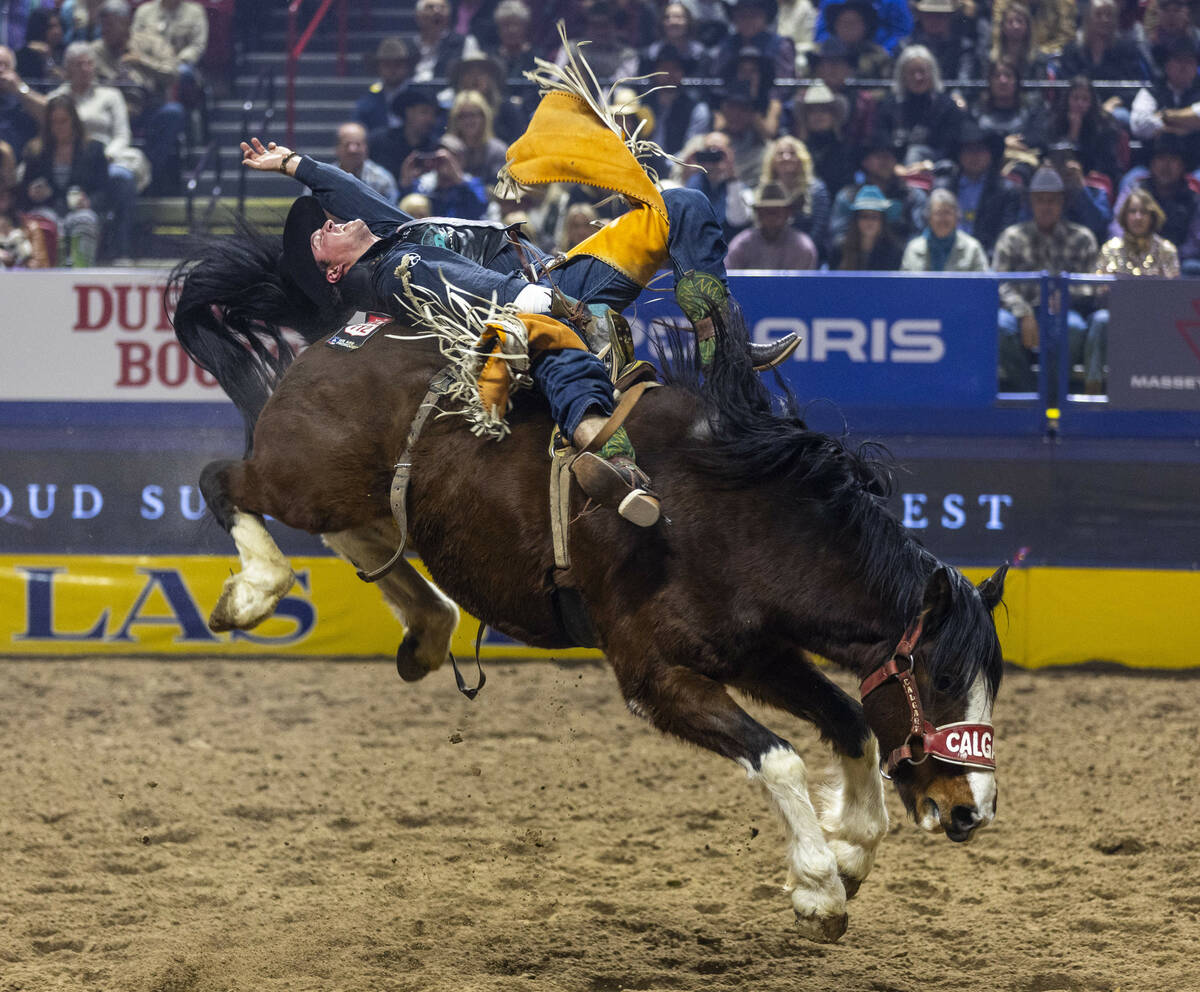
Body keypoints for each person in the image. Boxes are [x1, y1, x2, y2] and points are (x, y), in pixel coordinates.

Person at [993, 165, 1098, 392]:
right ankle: (1029, 391)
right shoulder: (1011, 237)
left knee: (1075, 328)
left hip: (1063, 313)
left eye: (1052, 200)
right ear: (1031, 202)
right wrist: (1023, 311)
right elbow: (999, 281)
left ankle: (1053, 395)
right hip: (1020, 312)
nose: (1046, 206)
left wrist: (1069, 295)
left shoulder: (1082, 238)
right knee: (998, 325)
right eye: (1040, 200)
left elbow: (1091, 284)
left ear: (1063, 202)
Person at [47, 41, 147, 262]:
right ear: (68, 69)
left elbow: (122, 135)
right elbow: (48, 132)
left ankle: (121, 249)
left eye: (90, 63)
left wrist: (107, 155)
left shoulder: (110, 95)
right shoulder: (57, 98)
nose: (86, 69)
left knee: (122, 178)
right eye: (79, 64)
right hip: (69, 157)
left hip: (107, 158)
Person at [1086, 187, 1180, 393]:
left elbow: (1174, 295)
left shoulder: (1167, 250)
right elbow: (1098, 289)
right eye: (1133, 211)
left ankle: (1168, 393)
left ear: (1153, 216)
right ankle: (1092, 389)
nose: (1138, 217)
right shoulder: (1111, 248)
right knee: (1099, 320)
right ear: (1124, 216)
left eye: (1144, 212)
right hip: (1117, 314)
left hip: (1156, 315)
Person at [89, 0, 187, 193]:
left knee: (174, 112)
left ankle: (148, 175)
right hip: (109, 112)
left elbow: (173, 73)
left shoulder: (151, 42)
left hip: (149, 109)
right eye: (103, 25)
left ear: (126, 22)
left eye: (110, 24)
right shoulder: (94, 51)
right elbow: (89, 85)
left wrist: (142, 62)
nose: (105, 30)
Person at [17, 93, 107, 267]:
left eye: (63, 121)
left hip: (79, 210)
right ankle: (47, 273)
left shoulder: (94, 149)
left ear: (74, 121)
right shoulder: (36, 151)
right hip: (47, 208)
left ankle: (82, 272)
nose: (58, 127)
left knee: (84, 220)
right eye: (53, 122)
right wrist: (32, 193)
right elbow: (23, 192)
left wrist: (88, 201)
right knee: (42, 223)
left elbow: (104, 191)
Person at [1110, 132, 1200, 273]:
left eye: (1173, 159)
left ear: (1183, 165)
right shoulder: (1134, 190)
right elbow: (1117, 228)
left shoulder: (1193, 199)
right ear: (1151, 163)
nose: (1166, 165)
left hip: (1176, 261)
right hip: (1133, 257)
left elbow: (1195, 242)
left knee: (1192, 268)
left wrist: (1165, 255)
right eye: (1161, 159)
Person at [933, 119, 1019, 256]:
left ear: (990, 154)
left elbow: (1005, 235)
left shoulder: (1007, 191)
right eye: (969, 150)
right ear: (960, 155)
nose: (975, 156)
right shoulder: (944, 188)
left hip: (988, 260)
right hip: (946, 258)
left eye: (980, 150)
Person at [873, 43, 963, 166]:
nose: (918, 77)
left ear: (932, 73)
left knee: (915, 153)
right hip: (895, 169)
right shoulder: (889, 105)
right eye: (912, 72)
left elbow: (949, 147)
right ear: (902, 76)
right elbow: (881, 141)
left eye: (922, 71)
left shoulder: (946, 106)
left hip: (934, 168)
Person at [1130, 36, 1200, 169]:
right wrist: (1188, 124)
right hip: (1151, 166)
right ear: (1167, 65)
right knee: (1131, 182)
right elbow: (1139, 125)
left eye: (1190, 62)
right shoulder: (1151, 91)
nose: (1184, 67)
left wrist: (1165, 116)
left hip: (1196, 164)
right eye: (1178, 61)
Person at [758, 134, 831, 260]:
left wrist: (801, 252)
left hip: (807, 255)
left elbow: (819, 230)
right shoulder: (766, 189)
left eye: (792, 153)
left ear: (801, 158)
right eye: (780, 153)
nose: (786, 157)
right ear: (772, 160)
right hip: (768, 256)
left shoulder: (816, 190)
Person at [675, 130, 754, 241]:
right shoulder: (694, 181)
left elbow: (738, 220)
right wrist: (685, 176)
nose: (712, 157)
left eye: (718, 153)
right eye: (708, 151)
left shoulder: (740, 188)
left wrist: (731, 176)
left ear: (729, 154)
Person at [131, 0, 208, 108]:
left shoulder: (195, 12)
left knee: (182, 73)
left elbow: (197, 45)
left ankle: (178, 114)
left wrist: (175, 61)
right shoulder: (144, 11)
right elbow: (135, 42)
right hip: (147, 63)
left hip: (180, 63)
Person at [397, 132, 490, 220]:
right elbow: (405, 205)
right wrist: (406, 181)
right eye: (440, 159)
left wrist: (458, 178)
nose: (444, 164)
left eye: (451, 158)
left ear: (462, 160)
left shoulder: (473, 184)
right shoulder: (425, 185)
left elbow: (480, 208)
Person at [726, 181, 818, 269]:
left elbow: (802, 284)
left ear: (788, 213)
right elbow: (728, 279)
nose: (771, 217)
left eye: (776, 211)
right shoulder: (741, 245)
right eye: (766, 211)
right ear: (758, 214)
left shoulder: (802, 248)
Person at [900, 188, 988, 271]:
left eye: (947, 213)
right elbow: (904, 285)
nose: (943, 219)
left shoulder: (972, 248)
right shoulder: (913, 249)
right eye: (938, 213)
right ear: (928, 217)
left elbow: (983, 284)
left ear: (956, 216)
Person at [368, 85, 441, 186]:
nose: (430, 119)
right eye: (424, 112)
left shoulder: (436, 148)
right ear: (408, 112)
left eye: (434, 114)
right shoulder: (379, 142)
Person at [832, 184, 904, 269]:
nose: (869, 222)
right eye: (864, 216)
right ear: (856, 220)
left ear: (882, 221)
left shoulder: (894, 251)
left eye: (874, 217)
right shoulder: (839, 249)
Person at [447, 89, 508, 183]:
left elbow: (498, 190)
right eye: (462, 116)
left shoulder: (497, 151)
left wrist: (462, 180)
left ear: (483, 117)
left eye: (472, 115)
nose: (468, 121)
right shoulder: (448, 150)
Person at [354, 37, 414, 132]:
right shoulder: (367, 102)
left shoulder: (417, 98)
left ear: (407, 66)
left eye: (398, 64)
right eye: (387, 64)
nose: (392, 69)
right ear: (378, 67)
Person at [329, 121, 397, 204]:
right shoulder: (325, 178)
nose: (352, 150)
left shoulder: (382, 180)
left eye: (358, 144)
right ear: (337, 148)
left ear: (366, 147)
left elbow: (393, 214)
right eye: (347, 144)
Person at [0, 45, 41, 164]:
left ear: (14, 70)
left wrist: (20, 89)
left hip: (23, 164)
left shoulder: (25, 93)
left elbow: (48, 115)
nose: (1, 70)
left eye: (5, 65)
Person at [16, 7, 66, 83]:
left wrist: (48, 59)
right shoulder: (25, 54)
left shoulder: (65, 51)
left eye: (59, 26)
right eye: (51, 27)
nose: (57, 31)